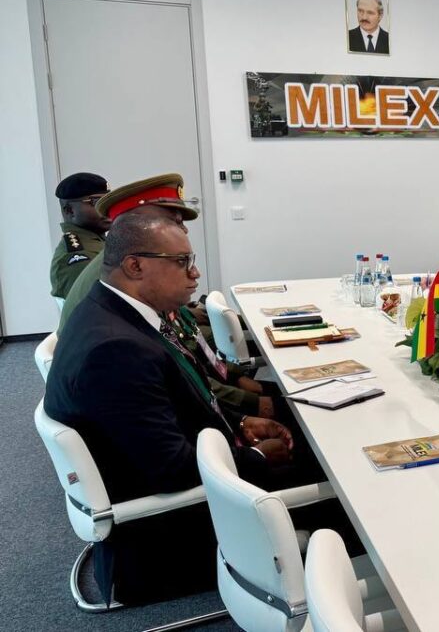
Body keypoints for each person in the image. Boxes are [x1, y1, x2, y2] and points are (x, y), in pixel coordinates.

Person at [44, 214, 313, 602]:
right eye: (182, 262)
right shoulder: (116, 351)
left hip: (191, 467)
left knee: (311, 433)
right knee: (340, 469)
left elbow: (178, 402)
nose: (195, 273)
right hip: (170, 532)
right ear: (135, 266)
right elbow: (172, 470)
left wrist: (240, 421)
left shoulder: (110, 311)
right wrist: (255, 457)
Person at [57, 173, 275, 419]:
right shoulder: (121, 282)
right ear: (138, 225)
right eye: (172, 221)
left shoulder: (134, 272)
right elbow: (177, 374)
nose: (183, 229)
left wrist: (235, 378)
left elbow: (187, 342)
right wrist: (247, 410)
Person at [49, 172, 111, 298]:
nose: (107, 208)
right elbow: (94, 305)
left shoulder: (98, 242)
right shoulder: (77, 258)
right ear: (69, 211)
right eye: (96, 202)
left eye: (107, 200)